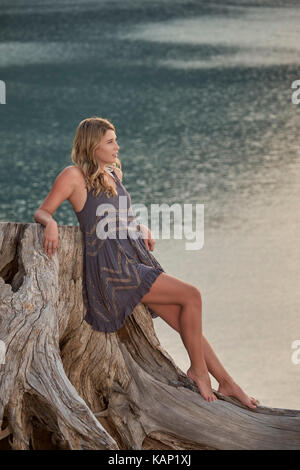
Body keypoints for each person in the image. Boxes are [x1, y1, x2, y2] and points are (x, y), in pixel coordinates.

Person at [34, 116, 258, 409]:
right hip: (113, 271)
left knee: (184, 320)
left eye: (115, 140)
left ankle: (227, 382)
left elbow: (123, 218)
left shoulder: (113, 174)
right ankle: (199, 372)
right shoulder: (73, 176)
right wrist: (49, 223)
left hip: (133, 256)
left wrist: (141, 228)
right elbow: (42, 211)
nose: (117, 146)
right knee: (191, 295)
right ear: (92, 145)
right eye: (110, 141)